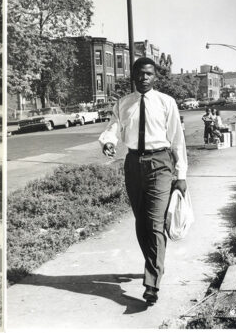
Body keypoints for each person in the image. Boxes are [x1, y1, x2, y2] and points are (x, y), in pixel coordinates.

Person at [99, 57, 187, 304]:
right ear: (133, 76)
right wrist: (108, 141)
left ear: (155, 76)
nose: (144, 78)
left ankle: (152, 283)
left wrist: (181, 175)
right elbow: (113, 127)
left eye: (149, 73)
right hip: (133, 165)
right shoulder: (124, 103)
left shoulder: (166, 103)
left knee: (155, 223)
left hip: (160, 164)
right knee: (141, 222)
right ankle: (154, 263)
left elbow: (178, 140)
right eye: (140, 73)